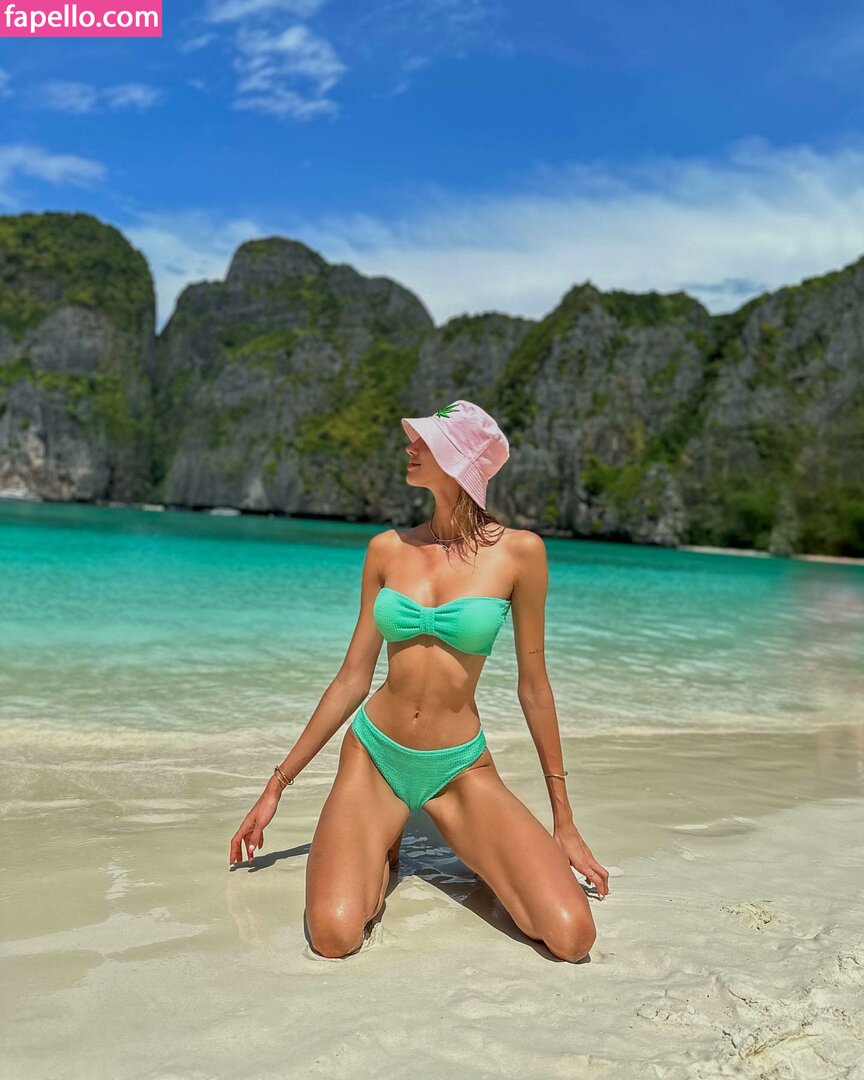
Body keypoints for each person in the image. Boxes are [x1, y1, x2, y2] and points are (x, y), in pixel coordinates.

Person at [229, 399, 608, 961]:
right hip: (375, 757)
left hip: (458, 767)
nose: (409, 448)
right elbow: (352, 679)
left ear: (461, 460)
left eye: (424, 442)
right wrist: (276, 786)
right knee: (334, 937)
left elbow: (534, 687)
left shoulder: (521, 554)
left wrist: (564, 821)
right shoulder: (387, 549)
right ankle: (382, 844)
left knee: (573, 938)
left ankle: (431, 842)